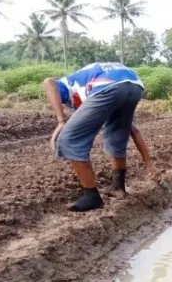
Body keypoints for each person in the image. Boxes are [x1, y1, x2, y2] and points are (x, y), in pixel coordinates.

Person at [44, 62, 160, 212]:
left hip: (108, 85)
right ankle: (118, 188)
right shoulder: (86, 88)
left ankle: (92, 196)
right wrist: (149, 165)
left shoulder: (68, 86)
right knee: (118, 133)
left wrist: (61, 121)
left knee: (69, 139)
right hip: (134, 85)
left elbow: (49, 82)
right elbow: (134, 131)